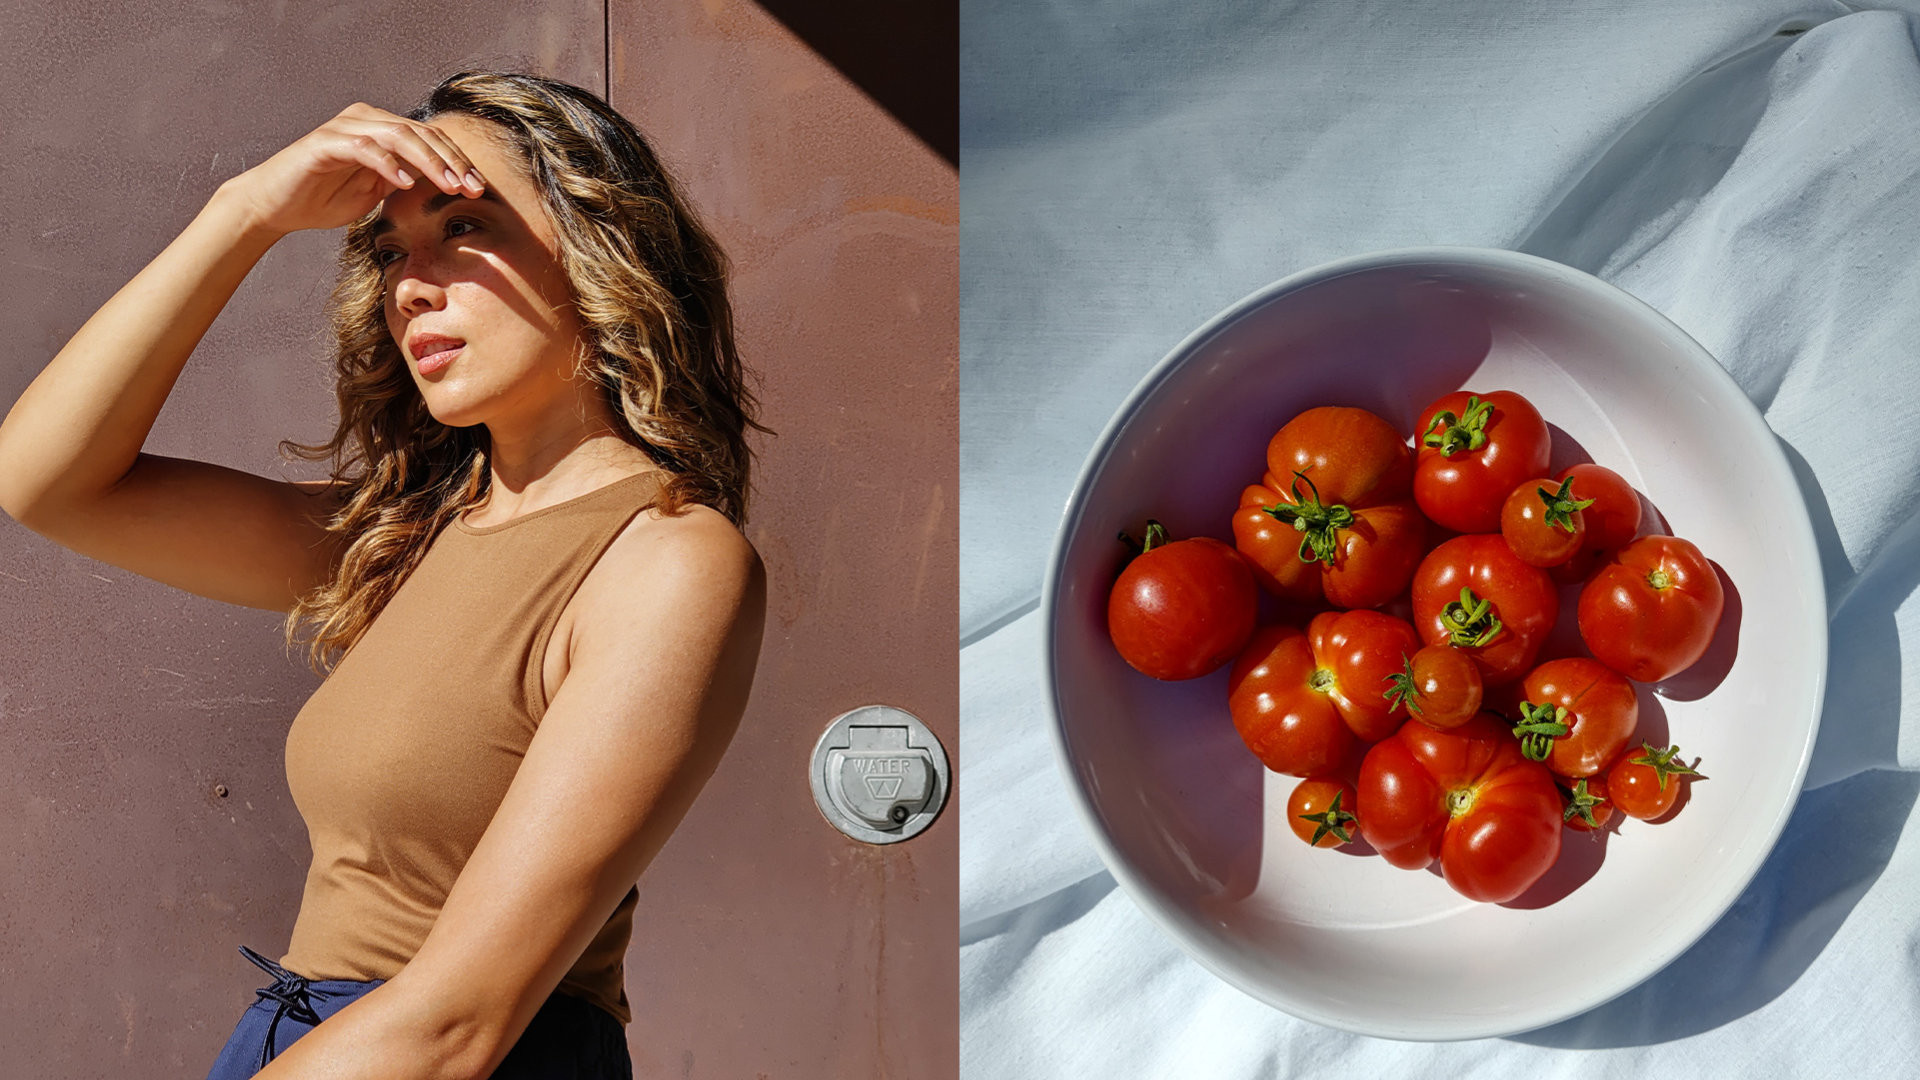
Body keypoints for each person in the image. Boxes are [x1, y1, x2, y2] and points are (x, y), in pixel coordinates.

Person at [0, 71, 766, 1079]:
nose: (412, 283)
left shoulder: (667, 559)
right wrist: (245, 214)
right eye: (392, 249)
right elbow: (45, 481)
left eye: (463, 226)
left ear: (599, 245)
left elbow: (458, 1023)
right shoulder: (405, 539)